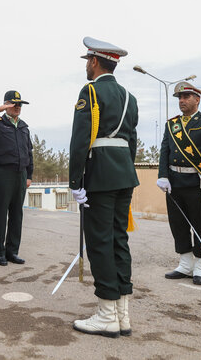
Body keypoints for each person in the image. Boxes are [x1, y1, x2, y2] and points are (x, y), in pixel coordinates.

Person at [69, 37, 139, 338]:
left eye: (88, 61)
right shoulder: (129, 97)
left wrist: (75, 181)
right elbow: (132, 142)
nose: (87, 66)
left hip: (100, 174)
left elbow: (80, 140)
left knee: (99, 243)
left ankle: (107, 313)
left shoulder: (91, 91)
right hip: (124, 173)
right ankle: (122, 314)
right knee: (118, 241)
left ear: (95, 62)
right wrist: (123, 170)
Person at [157, 82, 201, 286]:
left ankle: (200, 266)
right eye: (179, 98)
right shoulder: (171, 124)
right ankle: (185, 265)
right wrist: (163, 175)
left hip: (197, 182)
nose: (182, 101)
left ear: (197, 99)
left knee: (199, 225)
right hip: (175, 182)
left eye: (186, 97)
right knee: (178, 224)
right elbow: (164, 151)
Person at [0, 90, 33, 266]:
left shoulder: (23, 127)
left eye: (19, 104)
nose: (17, 107)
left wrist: (30, 175)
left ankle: (13, 251)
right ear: (6, 105)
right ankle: (0, 252)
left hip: (21, 174)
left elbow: (29, 152)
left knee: (16, 214)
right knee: (0, 214)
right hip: (2, 173)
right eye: (13, 104)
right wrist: (0, 109)